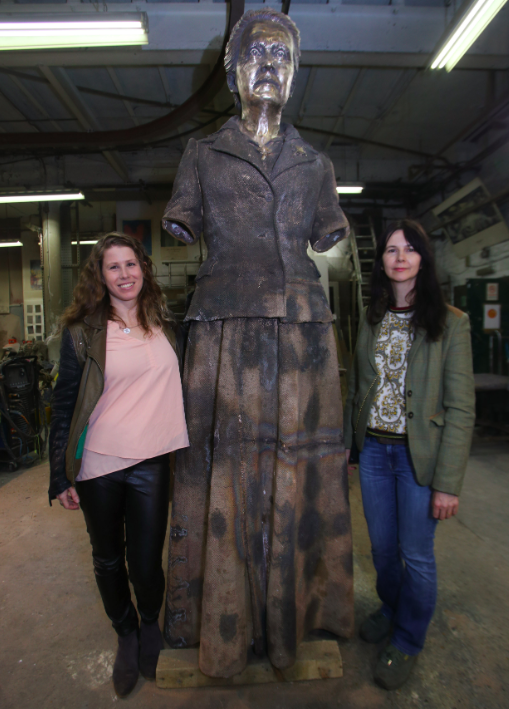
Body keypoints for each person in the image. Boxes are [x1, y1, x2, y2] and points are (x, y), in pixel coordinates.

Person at [161, 9, 354, 679]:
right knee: (222, 472)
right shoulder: (201, 154)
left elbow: (326, 232)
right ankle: (220, 617)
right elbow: (181, 219)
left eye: (283, 56)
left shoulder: (315, 162)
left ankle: (293, 618)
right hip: (224, 330)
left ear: (295, 75)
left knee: (299, 469)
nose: (270, 64)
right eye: (256, 53)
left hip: (301, 334)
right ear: (232, 70)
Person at [48, 232, 188, 698]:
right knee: (108, 560)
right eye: (114, 267)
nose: (125, 274)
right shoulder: (82, 332)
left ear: (144, 268)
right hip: (99, 464)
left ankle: (150, 624)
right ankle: (126, 634)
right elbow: (65, 404)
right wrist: (57, 475)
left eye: (132, 264)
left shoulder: (166, 323)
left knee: (146, 561)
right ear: (100, 276)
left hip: (151, 460)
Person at [344, 219, 475, 690]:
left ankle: (408, 639)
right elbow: (359, 385)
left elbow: (461, 408)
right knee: (381, 551)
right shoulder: (373, 315)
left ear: (423, 257)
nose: (400, 257)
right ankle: (392, 606)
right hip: (376, 452)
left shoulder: (451, 324)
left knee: (415, 555)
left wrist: (447, 483)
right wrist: (352, 443)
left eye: (410, 249)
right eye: (391, 249)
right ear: (381, 261)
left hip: (420, 458)